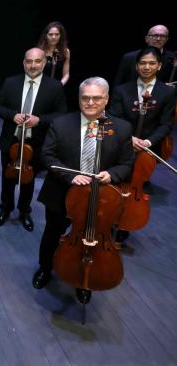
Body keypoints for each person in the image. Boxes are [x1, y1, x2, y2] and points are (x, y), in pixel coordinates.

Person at [33, 77, 134, 304]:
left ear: (106, 99)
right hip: (61, 192)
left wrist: (112, 174)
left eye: (96, 98)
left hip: (100, 198)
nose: (90, 102)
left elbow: (127, 163)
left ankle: (83, 279)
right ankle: (45, 268)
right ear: (79, 98)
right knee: (52, 233)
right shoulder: (60, 123)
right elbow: (47, 156)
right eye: (85, 98)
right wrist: (70, 176)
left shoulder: (121, 128)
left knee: (90, 239)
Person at [0, 48, 66, 231]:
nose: (33, 65)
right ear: (24, 63)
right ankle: (6, 207)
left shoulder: (54, 86)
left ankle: (24, 210)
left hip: (36, 143)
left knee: (28, 179)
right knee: (7, 177)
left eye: (37, 61)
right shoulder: (10, 82)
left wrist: (39, 120)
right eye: (29, 61)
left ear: (44, 63)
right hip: (11, 139)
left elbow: (61, 114)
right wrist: (12, 115)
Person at [109, 46, 176, 242]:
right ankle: (108, 217)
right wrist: (129, 138)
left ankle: (125, 223)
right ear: (136, 66)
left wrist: (147, 142)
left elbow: (166, 124)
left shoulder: (167, 92)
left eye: (152, 63)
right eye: (143, 63)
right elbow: (114, 116)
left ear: (159, 66)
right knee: (114, 183)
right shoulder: (122, 89)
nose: (147, 67)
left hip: (147, 149)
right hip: (122, 144)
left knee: (135, 186)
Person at [37, 21, 71, 86]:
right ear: (46, 36)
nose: (53, 37)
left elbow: (66, 74)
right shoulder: (39, 51)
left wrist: (59, 85)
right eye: (50, 34)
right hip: (40, 86)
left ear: (60, 36)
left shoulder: (65, 52)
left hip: (57, 86)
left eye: (56, 34)